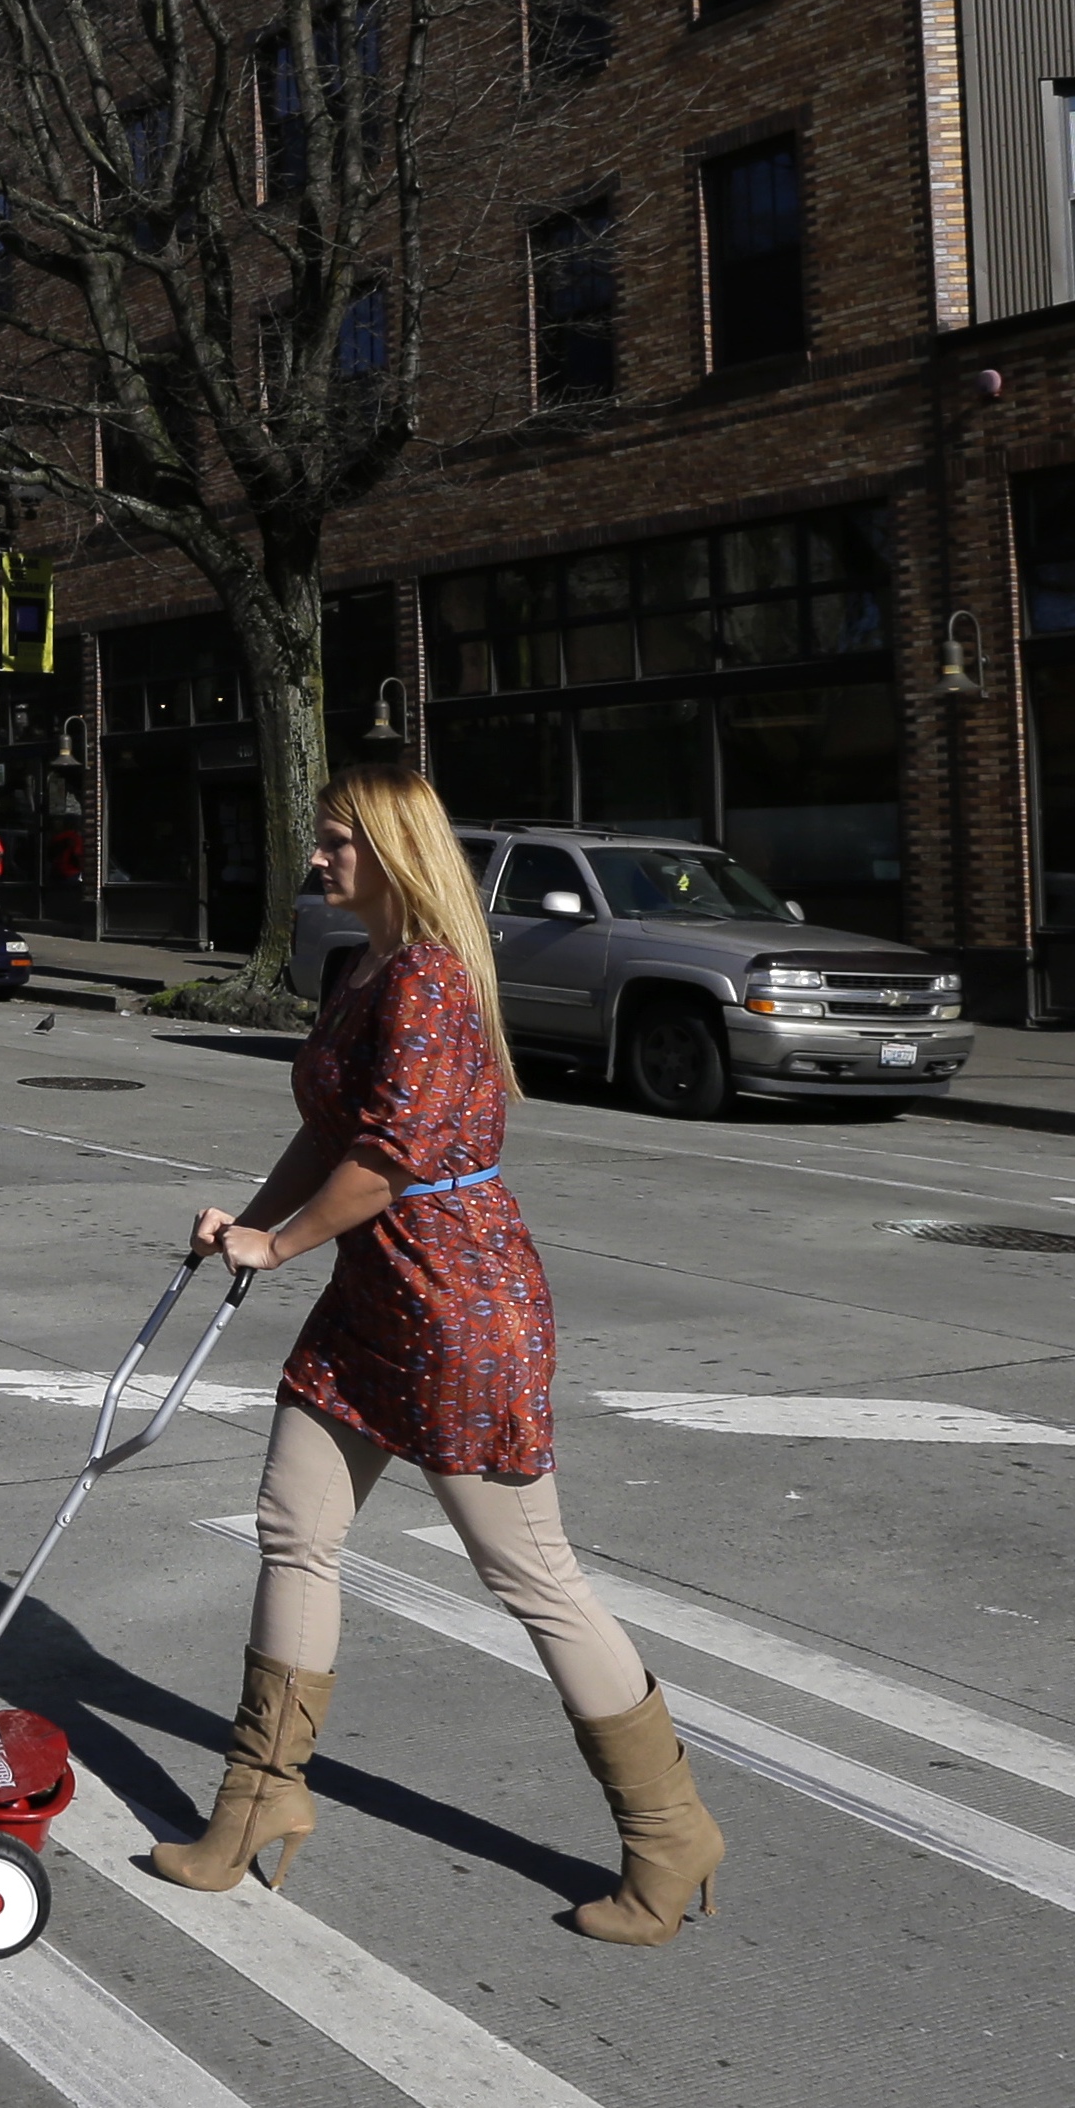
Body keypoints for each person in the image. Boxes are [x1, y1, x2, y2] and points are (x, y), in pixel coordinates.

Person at [152, 762, 721, 1945]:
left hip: (457, 1306)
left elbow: (391, 1161)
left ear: (395, 848)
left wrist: (281, 1242)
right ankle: (258, 1799)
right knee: (293, 1527)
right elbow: (328, 1131)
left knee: (533, 1577)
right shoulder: (365, 966)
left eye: (335, 842)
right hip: (373, 1306)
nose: (316, 859)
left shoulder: (431, 983)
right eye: (317, 841)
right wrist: (247, 1229)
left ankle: (670, 1835)